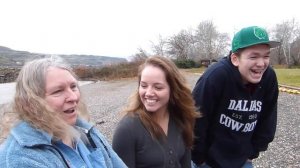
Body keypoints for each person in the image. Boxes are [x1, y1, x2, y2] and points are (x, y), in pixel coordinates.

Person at [0, 57, 127, 168]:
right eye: (58, 91)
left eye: (73, 87)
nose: (73, 97)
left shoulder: (87, 132)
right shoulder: (20, 159)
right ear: (29, 103)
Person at [191, 26, 281, 168]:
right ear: (235, 59)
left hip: (242, 159)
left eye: (266, 56)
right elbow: (195, 119)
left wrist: (253, 152)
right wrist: (199, 157)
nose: (261, 63)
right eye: (253, 56)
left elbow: (268, 117)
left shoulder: (268, 77)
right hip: (208, 160)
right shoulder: (216, 76)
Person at [112, 56, 198, 168]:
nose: (148, 93)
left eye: (158, 87)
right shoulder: (127, 130)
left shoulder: (181, 118)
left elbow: (186, 163)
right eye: (143, 86)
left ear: (173, 89)